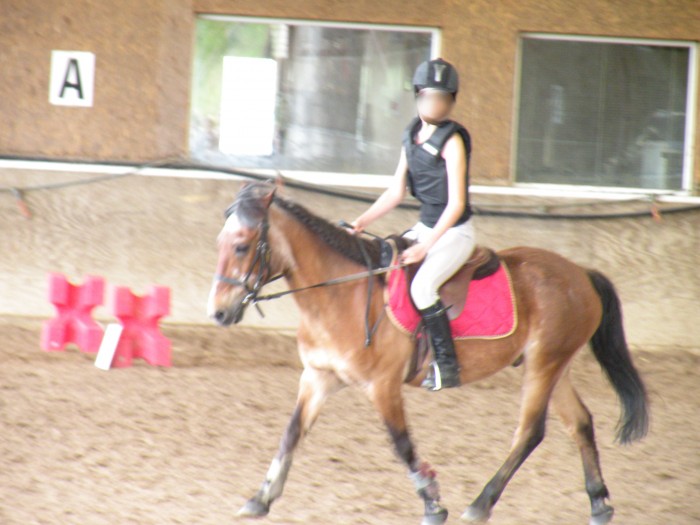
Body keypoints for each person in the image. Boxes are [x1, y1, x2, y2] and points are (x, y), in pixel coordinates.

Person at [351, 58, 475, 391]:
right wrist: (362, 221)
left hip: (454, 232)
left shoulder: (452, 141)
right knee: (386, 263)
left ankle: (446, 364)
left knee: (422, 288)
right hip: (424, 227)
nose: (436, 104)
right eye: (430, 96)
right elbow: (396, 191)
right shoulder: (411, 135)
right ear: (418, 96)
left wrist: (425, 247)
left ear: (451, 101)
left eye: (443, 98)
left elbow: (457, 204)